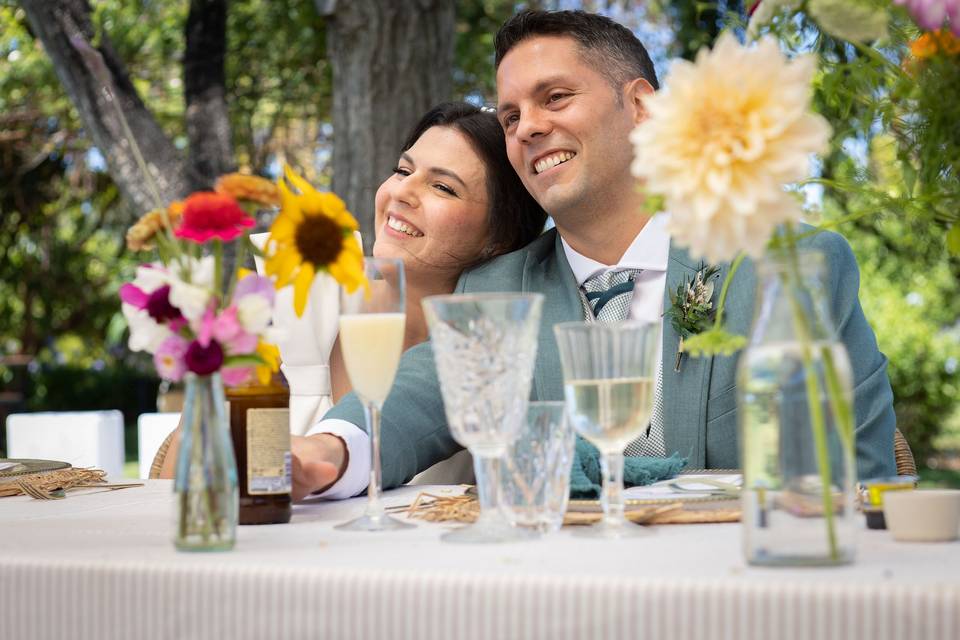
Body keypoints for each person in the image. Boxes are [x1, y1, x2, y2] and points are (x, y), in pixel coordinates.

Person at [292, 9, 897, 500]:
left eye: (554, 97)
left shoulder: (788, 269)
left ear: (641, 107)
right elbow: (415, 400)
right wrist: (325, 452)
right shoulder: (493, 291)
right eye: (510, 116)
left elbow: (857, 485)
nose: (527, 127)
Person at [159, 102, 546, 480]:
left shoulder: (507, 360)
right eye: (402, 170)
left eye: (442, 187)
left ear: (499, 237)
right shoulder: (293, 305)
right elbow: (180, 480)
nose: (402, 192)